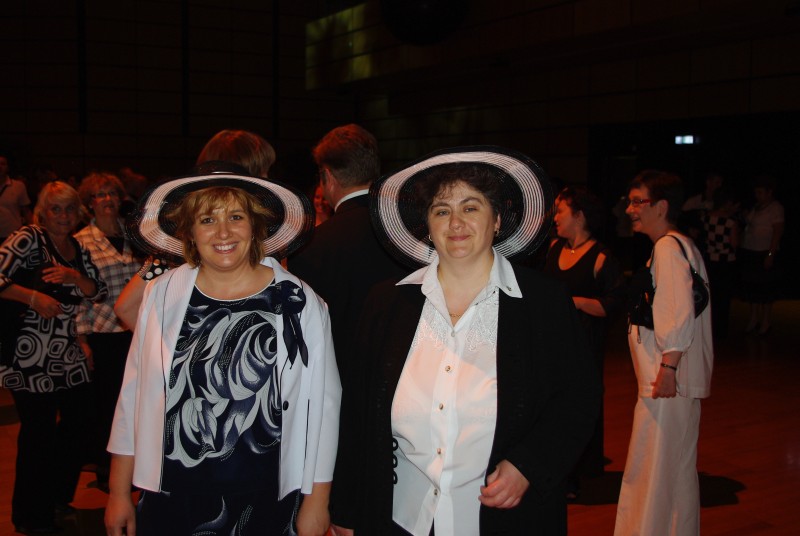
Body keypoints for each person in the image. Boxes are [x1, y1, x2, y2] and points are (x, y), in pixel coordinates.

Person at [330, 147, 601, 536]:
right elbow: (356, 413)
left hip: (504, 520)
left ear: (497, 220)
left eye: (470, 207)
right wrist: (346, 509)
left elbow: (579, 397)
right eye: (441, 211)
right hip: (400, 518)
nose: (455, 222)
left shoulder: (543, 303)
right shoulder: (386, 303)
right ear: (427, 225)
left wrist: (529, 465)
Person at [105, 172, 340, 536]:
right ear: (190, 232)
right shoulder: (162, 294)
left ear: (256, 227)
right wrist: (118, 492)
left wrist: (317, 502)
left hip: (266, 498)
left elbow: (323, 407)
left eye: (236, 217)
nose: (223, 232)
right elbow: (133, 396)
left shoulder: (297, 302)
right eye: (207, 220)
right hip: (172, 494)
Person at [0, 181, 107, 534]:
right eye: (55, 208)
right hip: (28, 353)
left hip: (66, 351)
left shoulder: (76, 247)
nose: (63, 215)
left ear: (79, 213)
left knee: (82, 422)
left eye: (69, 208)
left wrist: (75, 277)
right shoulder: (29, 238)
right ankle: (31, 517)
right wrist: (33, 298)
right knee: (38, 435)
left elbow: (98, 291)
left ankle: (56, 496)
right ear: (42, 212)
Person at [615, 170, 714, 536]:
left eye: (637, 202)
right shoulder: (681, 245)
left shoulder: (669, 248)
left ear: (661, 206)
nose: (630, 210)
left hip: (664, 380)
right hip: (668, 378)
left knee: (654, 471)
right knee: (674, 471)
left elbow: (677, 310)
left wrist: (668, 368)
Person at [114, 129, 277, 330]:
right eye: (262, 171)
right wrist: (166, 343)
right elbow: (126, 307)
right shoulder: (180, 247)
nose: (267, 178)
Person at [290, 124, 406, 379]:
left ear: (327, 177)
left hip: (339, 378)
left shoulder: (312, 245)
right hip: (403, 373)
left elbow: (303, 336)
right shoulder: (405, 233)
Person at [544, 186, 624, 497]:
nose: (555, 218)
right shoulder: (553, 248)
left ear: (579, 216)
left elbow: (613, 304)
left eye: (561, 211)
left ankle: (575, 474)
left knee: (576, 407)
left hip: (584, 345)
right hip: (552, 342)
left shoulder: (601, 257)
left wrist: (576, 302)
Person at [74, 171, 143, 487]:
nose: (107, 199)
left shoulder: (134, 235)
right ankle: (107, 472)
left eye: (112, 193)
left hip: (136, 329)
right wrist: (82, 339)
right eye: (99, 194)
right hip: (103, 331)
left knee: (135, 401)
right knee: (108, 405)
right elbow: (79, 296)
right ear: (89, 203)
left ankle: (135, 468)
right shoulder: (81, 241)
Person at [739, 175, 784, 336]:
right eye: (756, 192)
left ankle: (765, 321)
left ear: (769, 192)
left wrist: (771, 254)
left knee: (766, 289)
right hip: (751, 251)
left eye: (760, 192)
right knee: (753, 288)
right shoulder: (756, 207)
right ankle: (753, 319)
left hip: (765, 251)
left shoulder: (775, 208)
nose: (757, 195)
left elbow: (777, 232)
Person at [702, 187, 740, 338]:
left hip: (710, 260)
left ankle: (710, 327)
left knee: (712, 295)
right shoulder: (730, 221)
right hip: (725, 261)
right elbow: (734, 243)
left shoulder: (706, 217)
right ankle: (721, 329)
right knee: (724, 297)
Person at [0, 154, 32, 242]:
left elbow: (26, 211)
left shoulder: (18, 186)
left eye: (3, 164)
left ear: (7, 167)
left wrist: (32, 229)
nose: (0, 167)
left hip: (12, 234)